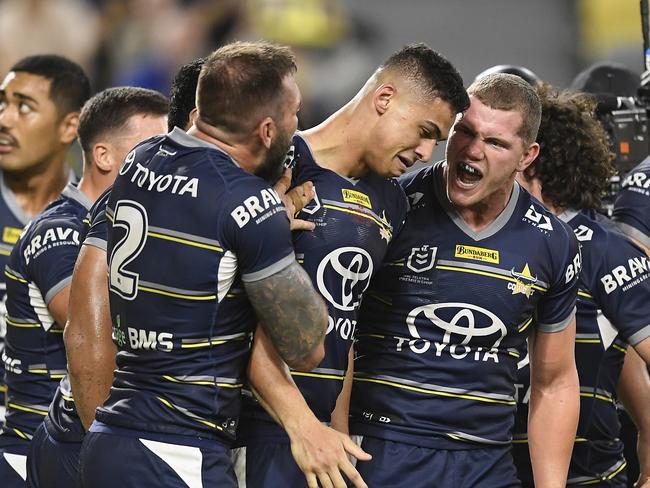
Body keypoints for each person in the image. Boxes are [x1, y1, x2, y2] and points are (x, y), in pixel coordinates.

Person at [77, 41, 328, 487]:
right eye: (293, 113)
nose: (298, 124)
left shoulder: (138, 161)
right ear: (267, 130)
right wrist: (272, 238)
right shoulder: (247, 205)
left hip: (109, 440)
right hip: (177, 451)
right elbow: (307, 348)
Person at [234, 43, 470, 488]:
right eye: (424, 131)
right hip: (254, 430)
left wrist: (336, 435)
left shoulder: (391, 201)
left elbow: (348, 327)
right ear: (384, 98)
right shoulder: (277, 163)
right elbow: (230, 310)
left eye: (435, 142)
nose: (426, 152)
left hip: (321, 440)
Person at [349, 73, 582, 487]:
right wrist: (333, 437)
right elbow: (340, 334)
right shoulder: (392, 205)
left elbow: (555, 380)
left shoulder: (553, 242)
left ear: (527, 156)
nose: (473, 150)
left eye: (495, 143)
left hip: (486, 464)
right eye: (465, 131)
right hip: (381, 453)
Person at [5, 87, 167, 488]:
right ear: (103, 156)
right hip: (33, 455)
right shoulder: (60, 231)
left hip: (86, 444)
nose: (165, 164)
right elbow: (93, 328)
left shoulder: (134, 229)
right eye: (151, 149)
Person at [512, 86, 650, 488]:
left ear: (532, 160)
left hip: (589, 477)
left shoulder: (609, 252)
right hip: (493, 470)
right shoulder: (490, 243)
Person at [64, 56, 207, 435]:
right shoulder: (69, 227)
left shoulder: (195, 207)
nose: (155, 159)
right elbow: (85, 336)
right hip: (95, 433)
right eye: (148, 146)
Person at [0, 53, 90, 475]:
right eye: (2, 102)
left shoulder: (91, 222)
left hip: (50, 448)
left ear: (69, 126)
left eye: (24, 107)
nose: (5, 119)